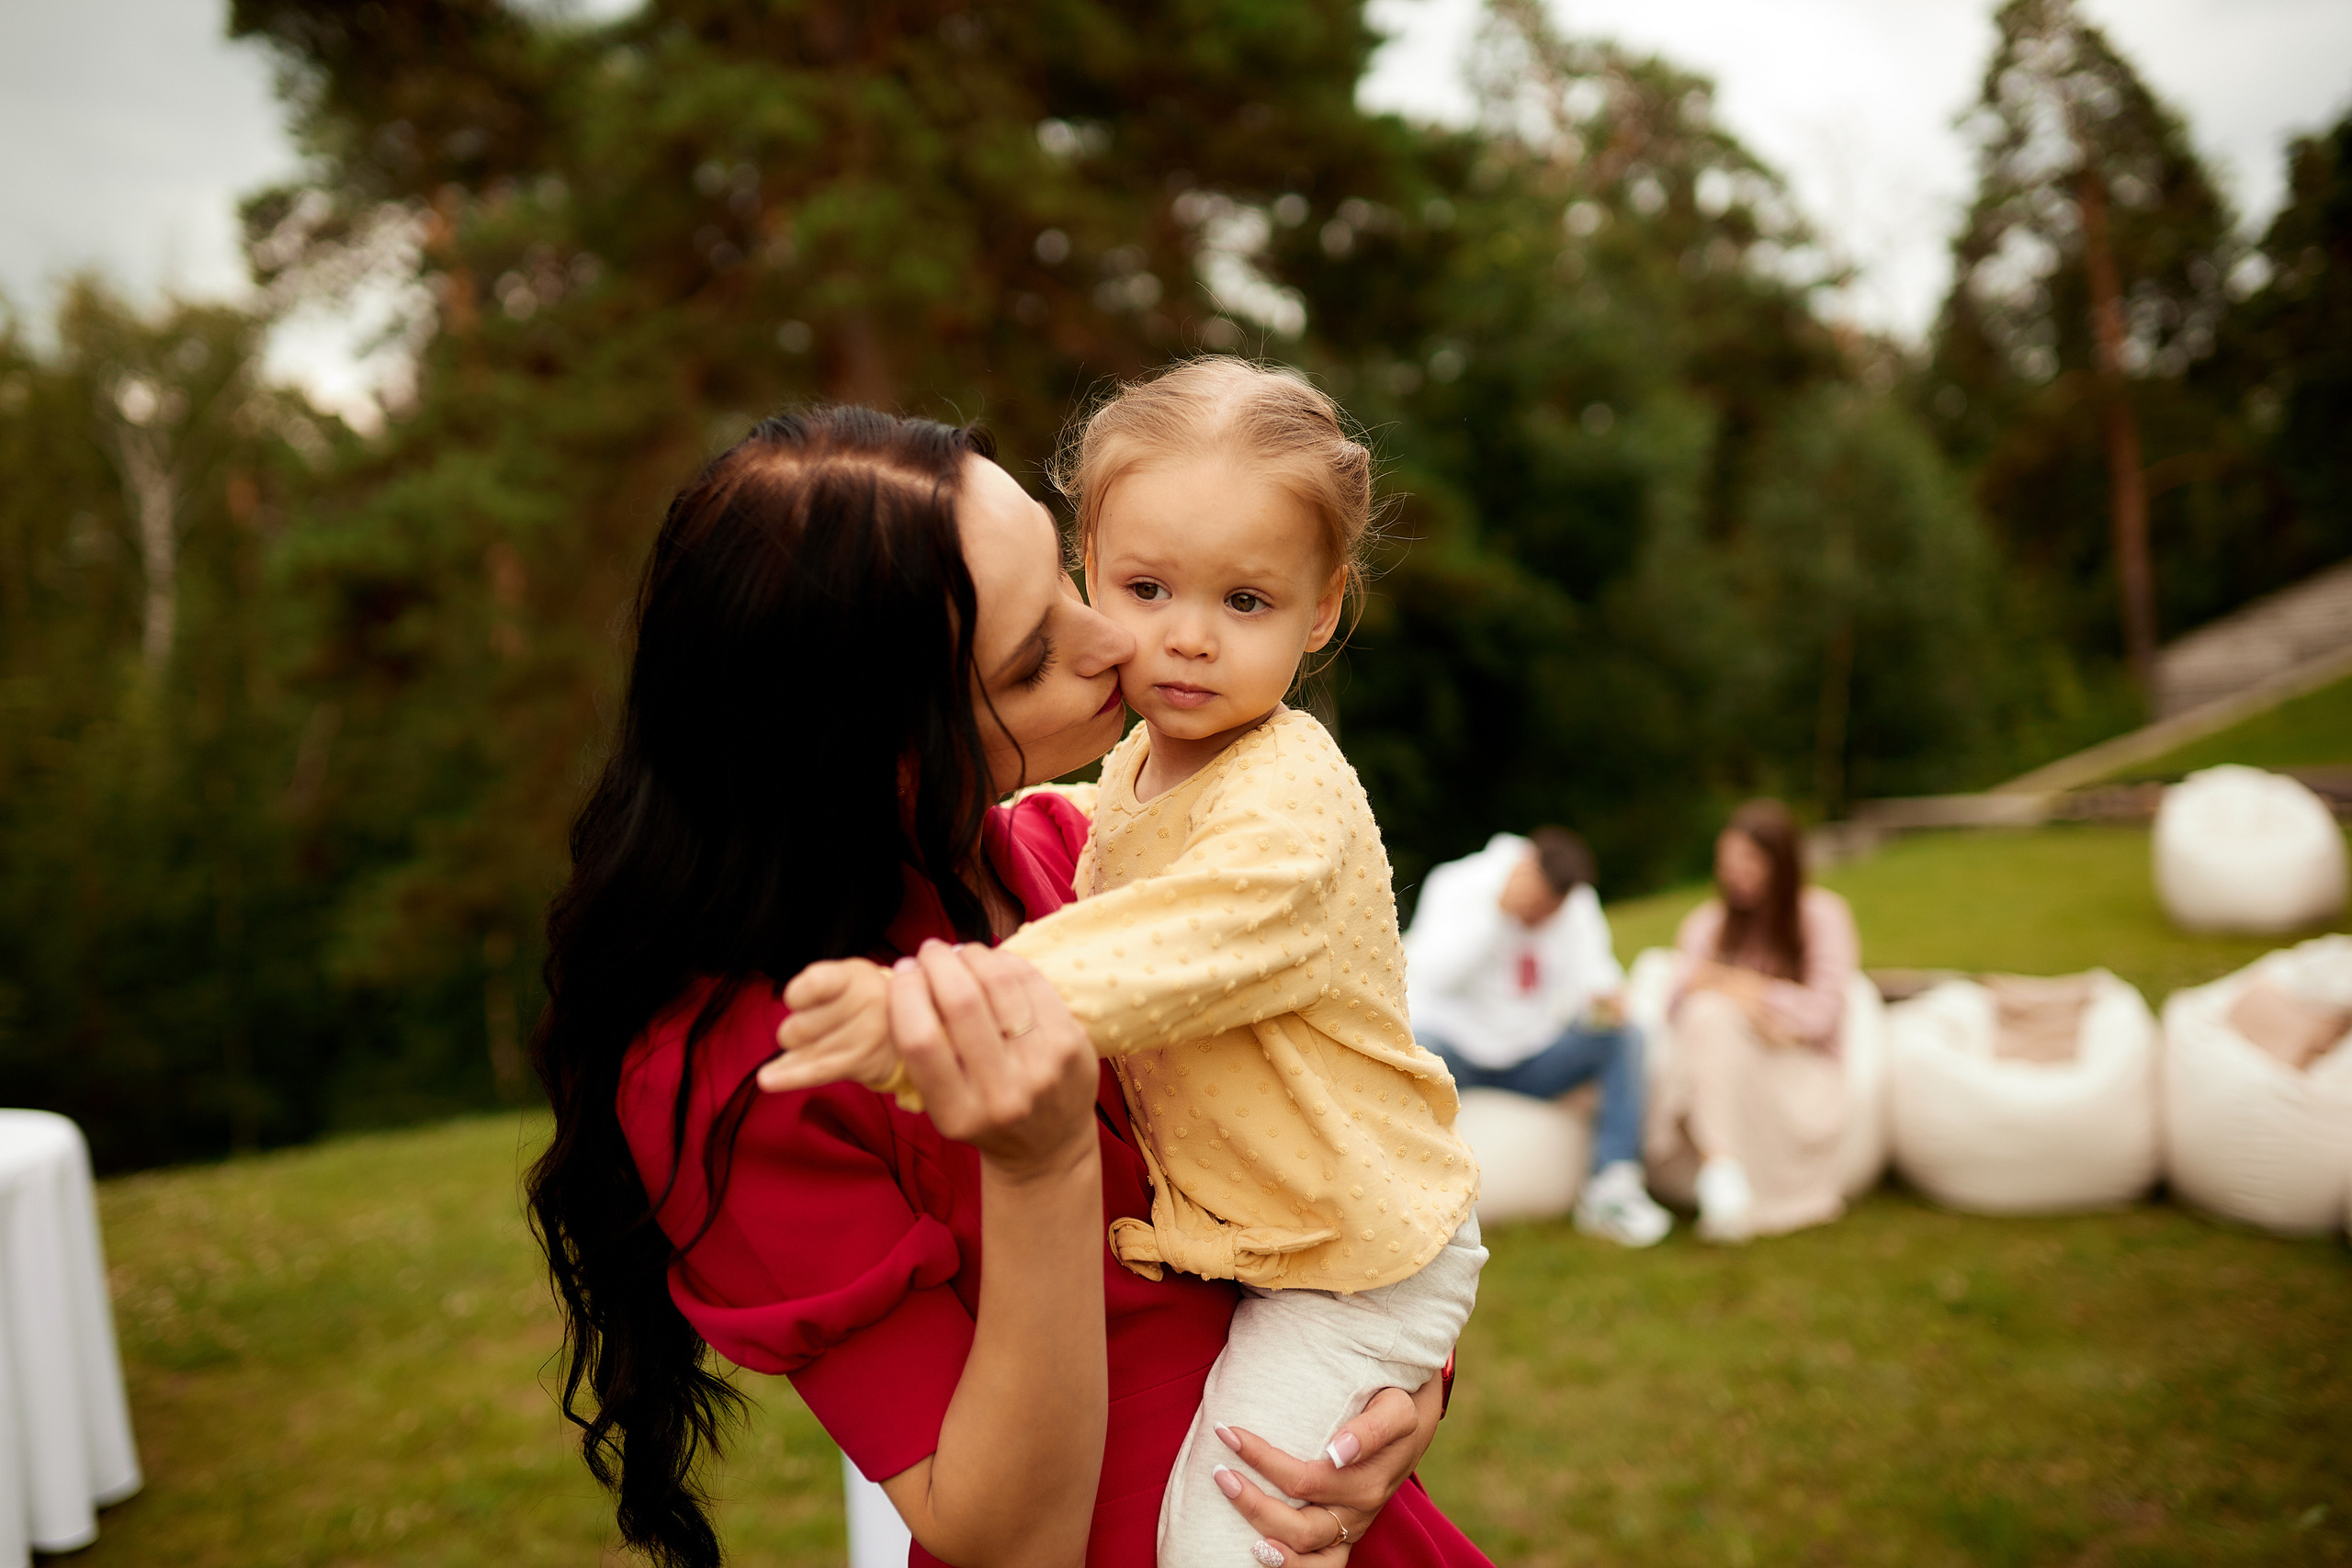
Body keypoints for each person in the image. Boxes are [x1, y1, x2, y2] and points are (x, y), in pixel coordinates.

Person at [525, 406, 1487, 1568]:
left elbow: (1329, 1134)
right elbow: (1008, 1542)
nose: (1115, 645)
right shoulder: (741, 1073)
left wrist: (1403, 1387)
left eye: (1073, 586)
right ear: (878, 752)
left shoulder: (1064, 854)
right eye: (1035, 652)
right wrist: (1039, 1168)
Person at [1404, 829, 1672, 1247]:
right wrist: (1496, 916)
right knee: (1411, 1046)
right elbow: (1430, 978)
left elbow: (1595, 977)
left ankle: (1613, 1185)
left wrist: (1608, 1001)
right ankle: (1405, 1190)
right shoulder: (1457, 882)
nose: (1540, 918)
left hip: (1534, 1054)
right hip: (1456, 1049)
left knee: (1624, 1036)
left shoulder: (1575, 902)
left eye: (1551, 911)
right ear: (1524, 871)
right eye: (1536, 906)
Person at [1648, 798, 1862, 1244]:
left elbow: (1822, 1015)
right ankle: (1721, 1164)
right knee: (1707, 1016)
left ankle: (1723, 1177)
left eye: (1749, 860)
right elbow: (1675, 1002)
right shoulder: (1708, 924)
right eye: (1727, 862)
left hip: (1796, 1071)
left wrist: (1745, 989)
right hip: (1725, 1063)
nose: (1735, 873)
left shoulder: (1822, 915)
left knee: (1711, 1010)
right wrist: (1734, 997)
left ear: (1780, 863)